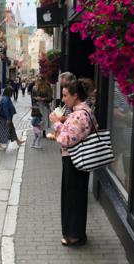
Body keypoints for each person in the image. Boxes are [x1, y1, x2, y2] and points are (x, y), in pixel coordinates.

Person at [49, 80, 97, 246]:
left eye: (65, 95)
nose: (63, 99)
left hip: (75, 160)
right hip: (77, 159)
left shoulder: (80, 114)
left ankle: (74, 235)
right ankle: (75, 233)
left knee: (73, 198)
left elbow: (67, 139)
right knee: (75, 197)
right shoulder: (81, 112)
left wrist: (56, 123)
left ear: (75, 95)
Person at [0, 86, 25, 150]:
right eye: (11, 92)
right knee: (2, 130)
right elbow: (5, 109)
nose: (12, 93)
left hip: (6, 117)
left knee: (12, 129)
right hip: (5, 118)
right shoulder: (5, 99)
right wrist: (8, 118)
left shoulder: (5, 98)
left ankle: (18, 141)